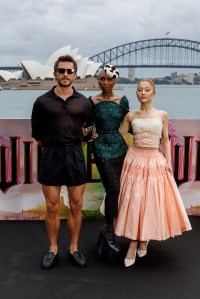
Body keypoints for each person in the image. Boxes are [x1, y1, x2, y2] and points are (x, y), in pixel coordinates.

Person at [114, 79, 192, 267]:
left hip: (155, 161)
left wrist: (168, 161)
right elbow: (118, 135)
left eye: (147, 90)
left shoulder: (162, 114)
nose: (143, 93)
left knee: (149, 202)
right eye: (140, 90)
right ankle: (134, 243)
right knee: (135, 202)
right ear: (137, 93)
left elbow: (165, 139)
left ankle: (143, 240)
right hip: (135, 160)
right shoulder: (131, 115)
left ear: (154, 93)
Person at [31, 55, 93, 269]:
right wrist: (54, 149)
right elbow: (38, 135)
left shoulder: (84, 103)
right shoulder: (41, 102)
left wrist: (73, 148)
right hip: (51, 156)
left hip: (75, 155)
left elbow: (86, 135)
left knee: (76, 205)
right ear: (55, 73)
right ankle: (53, 248)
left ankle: (74, 248)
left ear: (75, 74)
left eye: (69, 71)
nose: (65, 74)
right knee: (51, 206)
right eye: (61, 71)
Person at [86, 64, 130, 261]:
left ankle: (112, 229)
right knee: (113, 188)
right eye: (102, 79)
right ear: (98, 80)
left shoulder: (123, 101)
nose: (105, 83)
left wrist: (151, 137)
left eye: (109, 79)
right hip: (101, 147)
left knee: (120, 190)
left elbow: (129, 125)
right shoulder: (92, 101)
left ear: (115, 81)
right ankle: (110, 231)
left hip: (120, 148)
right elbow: (85, 126)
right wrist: (90, 136)